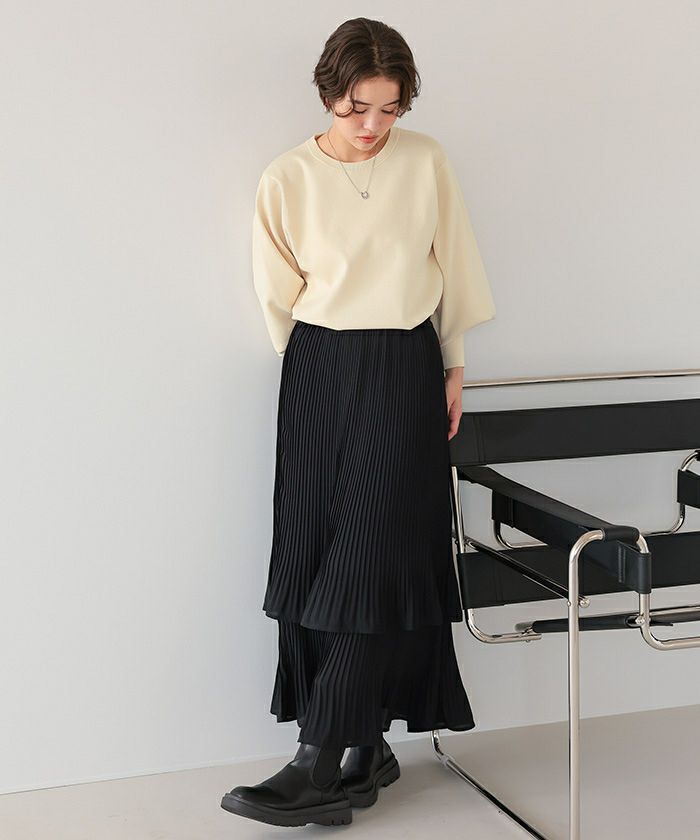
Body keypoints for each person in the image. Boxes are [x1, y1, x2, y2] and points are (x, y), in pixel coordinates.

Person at [221, 16, 496, 828]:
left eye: (390, 108)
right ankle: (364, 750)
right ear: (328, 95)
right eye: (356, 108)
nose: (374, 125)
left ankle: (318, 758)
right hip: (316, 366)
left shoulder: (426, 161)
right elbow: (276, 292)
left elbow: (455, 262)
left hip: (404, 364)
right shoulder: (287, 177)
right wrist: (316, 364)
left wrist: (452, 366)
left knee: (371, 553)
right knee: (315, 548)